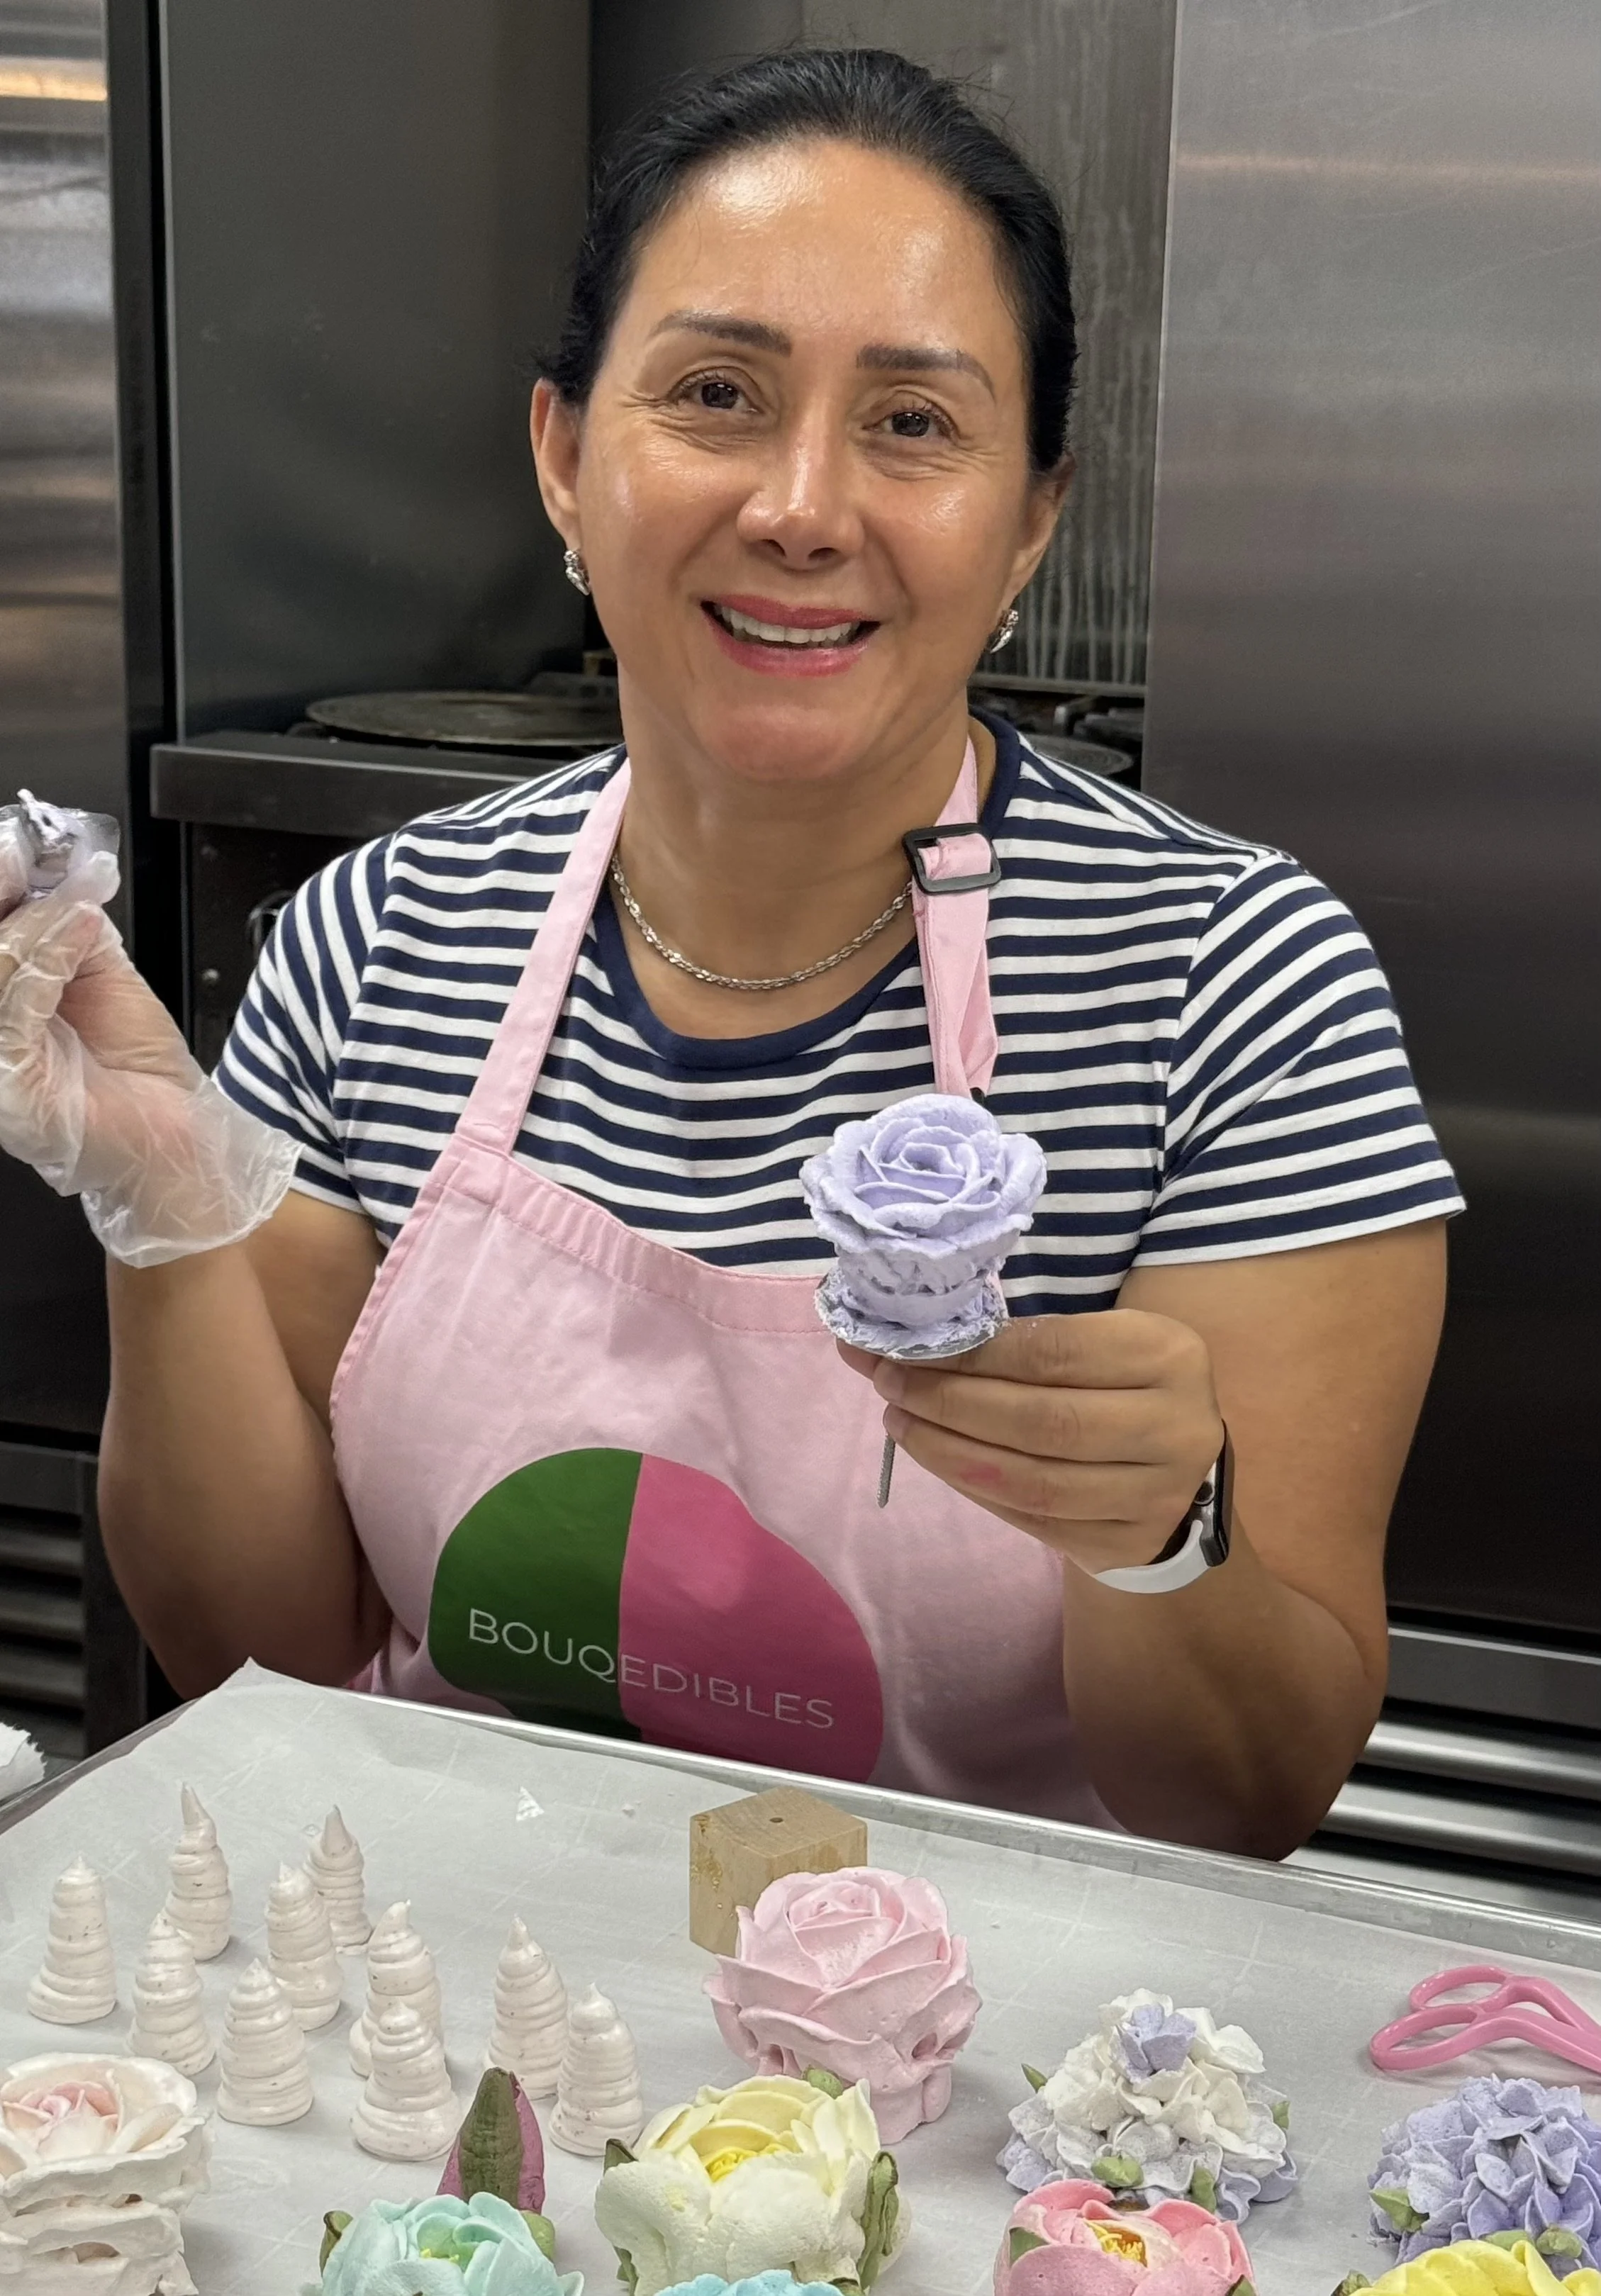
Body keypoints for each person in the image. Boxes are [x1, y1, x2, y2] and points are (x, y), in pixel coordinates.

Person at [0, 50, 1461, 1858]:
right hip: (463, 2013)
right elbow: (263, 1653)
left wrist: (1162, 1533)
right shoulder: (375, 941)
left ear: (1029, 524)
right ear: (561, 455)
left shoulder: (1233, 985)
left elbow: (1248, 1794)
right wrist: (166, 1204)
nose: (800, 505)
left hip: (1003, 2068)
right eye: (715, 392)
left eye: (914, 423)